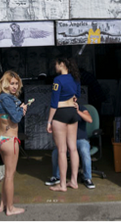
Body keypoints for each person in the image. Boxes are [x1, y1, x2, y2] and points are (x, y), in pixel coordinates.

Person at [0, 70, 28, 216]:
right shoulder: (6, 99)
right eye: (12, 83)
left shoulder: (2, 97)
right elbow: (16, 118)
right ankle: (10, 208)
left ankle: (3, 204)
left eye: (16, 84)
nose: (14, 86)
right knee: (9, 176)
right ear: (6, 83)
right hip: (9, 140)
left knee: (6, 175)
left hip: (1, 139)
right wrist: (22, 110)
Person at [47, 56, 81, 192]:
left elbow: (54, 102)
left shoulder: (58, 80)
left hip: (60, 114)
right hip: (73, 112)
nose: (55, 67)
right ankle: (73, 181)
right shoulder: (76, 79)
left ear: (62, 64)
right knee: (73, 148)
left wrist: (49, 121)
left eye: (56, 64)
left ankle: (62, 184)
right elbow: (77, 95)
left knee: (62, 150)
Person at [45, 102, 95, 189]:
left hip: (80, 139)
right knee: (56, 152)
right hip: (66, 140)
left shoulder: (81, 107)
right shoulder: (61, 109)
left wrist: (78, 111)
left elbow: (90, 120)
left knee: (84, 151)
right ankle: (56, 176)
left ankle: (87, 178)